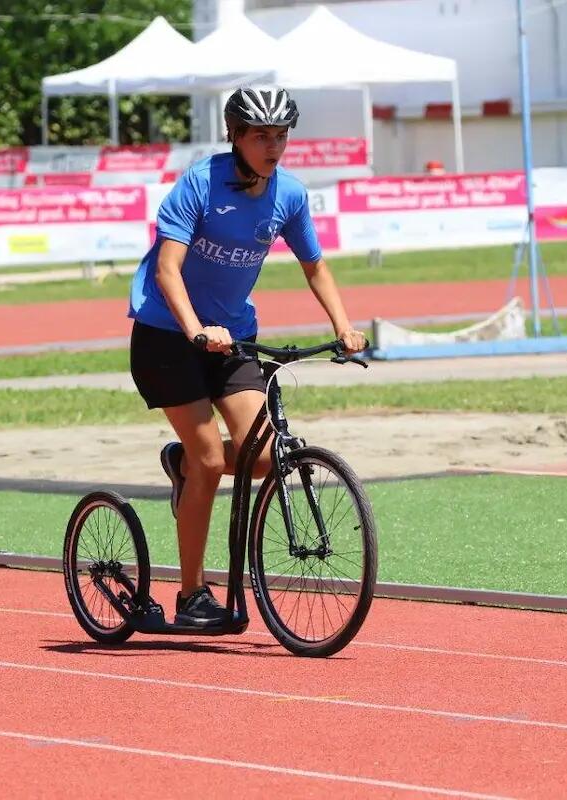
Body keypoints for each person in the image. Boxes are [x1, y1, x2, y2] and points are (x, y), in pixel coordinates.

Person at [127, 86, 367, 628]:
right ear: (235, 135)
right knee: (213, 462)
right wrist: (195, 330)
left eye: (281, 136)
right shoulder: (200, 183)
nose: (273, 146)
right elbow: (166, 269)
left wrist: (343, 326)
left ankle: (182, 464)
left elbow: (315, 266)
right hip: (167, 336)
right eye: (261, 136)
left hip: (235, 337)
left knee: (262, 457)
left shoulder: (290, 195)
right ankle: (191, 594)